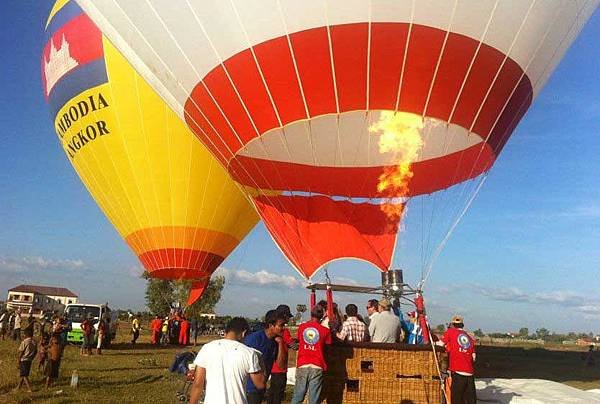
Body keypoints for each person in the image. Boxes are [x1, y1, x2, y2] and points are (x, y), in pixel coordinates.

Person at [189, 317, 265, 404]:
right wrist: (261, 361)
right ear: (244, 333)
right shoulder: (249, 353)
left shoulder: (207, 348)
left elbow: (198, 384)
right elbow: (260, 384)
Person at [244, 310, 287, 404]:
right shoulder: (254, 339)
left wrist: (280, 344)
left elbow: (281, 365)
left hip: (260, 388)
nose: (284, 328)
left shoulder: (276, 342)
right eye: (281, 325)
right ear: (271, 325)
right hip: (248, 389)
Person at [291, 305, 332, 404]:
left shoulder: (302, 327)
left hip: (303, 363)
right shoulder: (326, 331)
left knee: (298, 396)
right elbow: (328, 346)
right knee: (314, 399)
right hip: (317, 365)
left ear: (311, 314)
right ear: (322, 316)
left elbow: (300, 340)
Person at [438, 315, 477, 404]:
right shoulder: (469, 338)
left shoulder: (450, 332)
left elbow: (440, 344)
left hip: (458, 372)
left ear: (453, 325)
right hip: (470, 373)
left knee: (456, 398)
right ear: (462, 325)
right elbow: (473, 357)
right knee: (469, 399)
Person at [268, 305, 297, 404]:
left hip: (272, 368)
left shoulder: (273, 331)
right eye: (288, 316)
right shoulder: (284, 331)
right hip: (281, 369)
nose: (289, 319)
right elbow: (294, 346)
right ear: (284, 316)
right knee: (278, 395)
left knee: (272, 394)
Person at [16, 328, 37, 393]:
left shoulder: (24, 342)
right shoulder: (34, 342)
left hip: (24, 359)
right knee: (23, 374)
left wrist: (18, 361)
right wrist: (32, 357)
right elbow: (36, 351)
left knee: (24, 375)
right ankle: (18, 387)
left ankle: (29, 388)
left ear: (25, 334)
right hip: (29, 360)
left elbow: (21, 352)